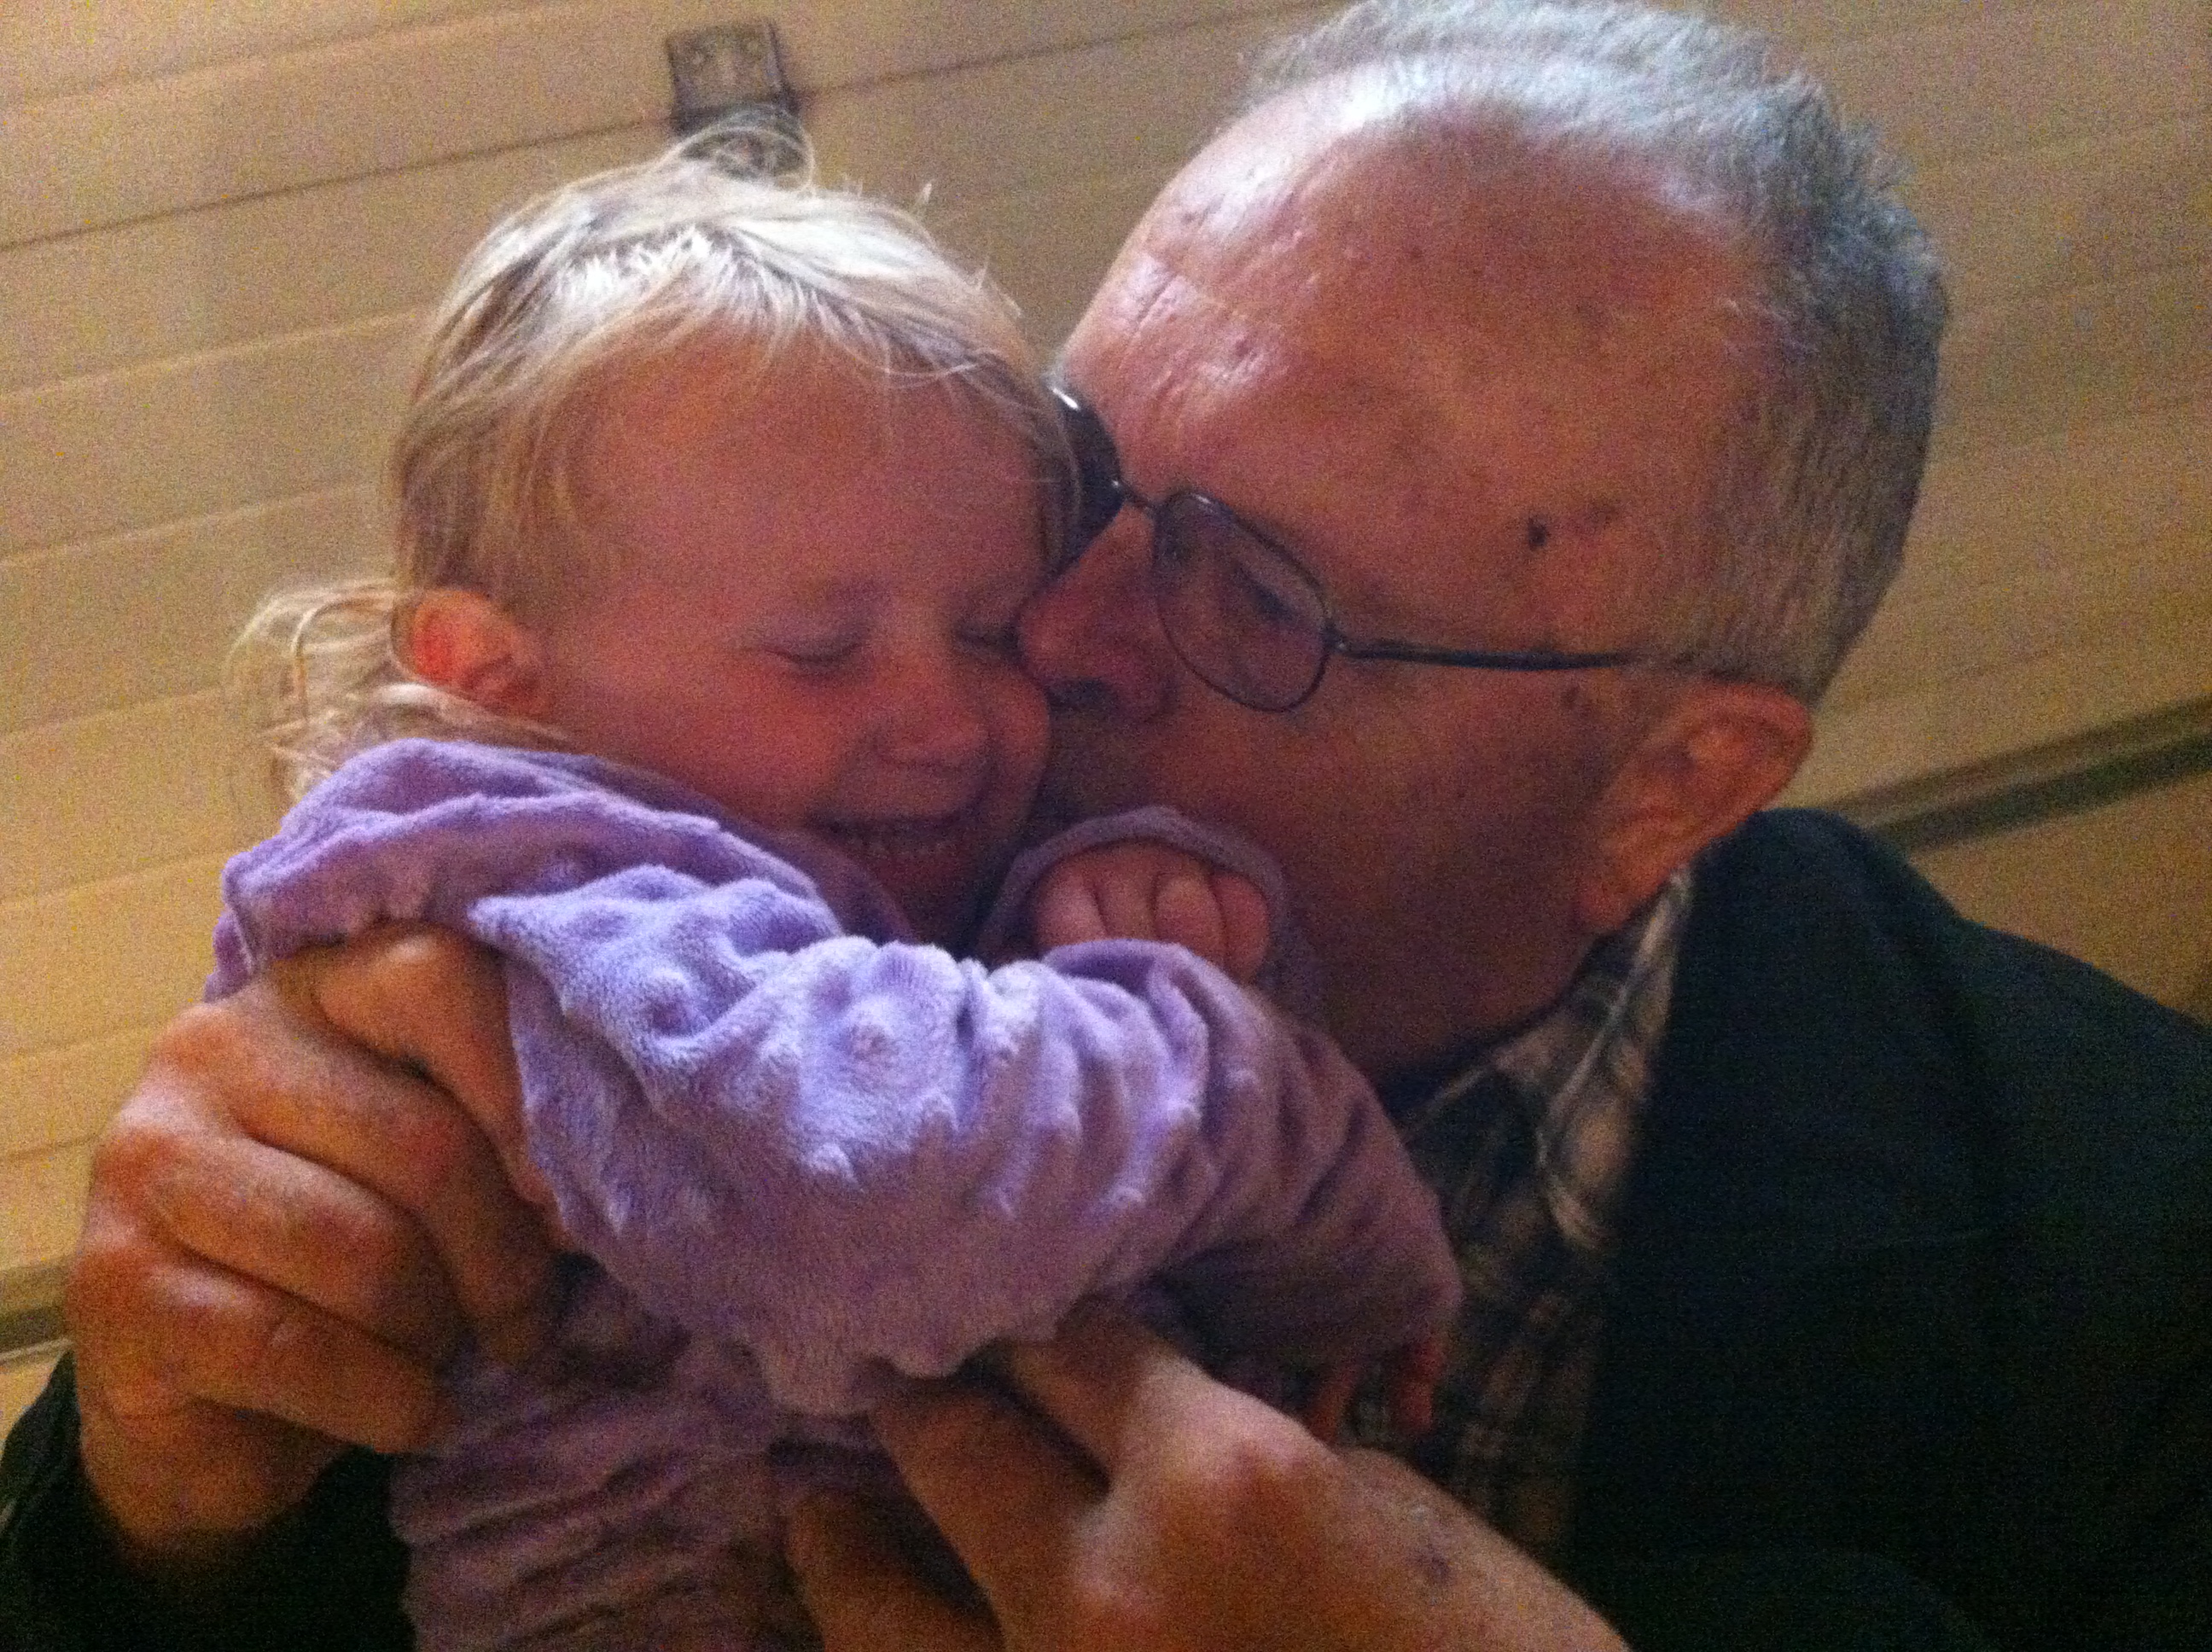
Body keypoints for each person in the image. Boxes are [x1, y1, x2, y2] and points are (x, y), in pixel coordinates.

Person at [5, 1, 2209, 1648]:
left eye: (1254, 597)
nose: (1045, 636)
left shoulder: (2128, 1272)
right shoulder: (704, 880)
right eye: (1086, 469)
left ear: (1674, 781)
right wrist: (160, 1500)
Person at [5, 138, 1465, 1650]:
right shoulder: (553, 888)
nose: (948, 721)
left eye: (990, 629)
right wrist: (1293, 1156)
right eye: (823, 652)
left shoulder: (815, 826)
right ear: (500, 679)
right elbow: (894, 1182)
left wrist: (1097, 908)